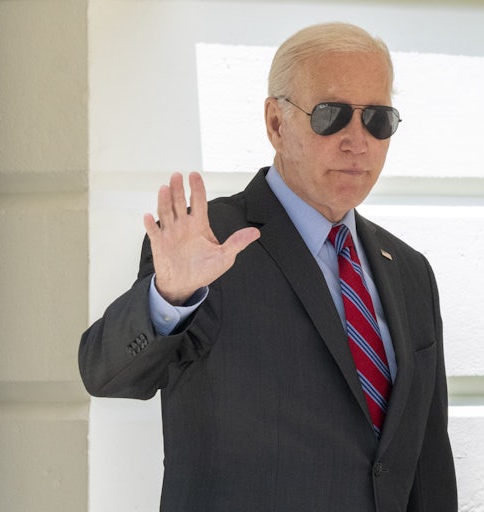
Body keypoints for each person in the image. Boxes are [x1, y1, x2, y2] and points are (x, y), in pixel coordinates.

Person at [79, 22, 457, 511]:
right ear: (276, 124)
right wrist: (168, 298)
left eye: (377, 119)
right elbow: (106, 375)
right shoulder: (209, 242)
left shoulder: (409, 271)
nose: (357, 141)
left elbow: (426, 461)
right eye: (332, 115)